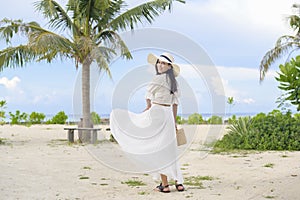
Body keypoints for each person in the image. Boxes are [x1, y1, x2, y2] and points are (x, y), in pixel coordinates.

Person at [110, 52, 184, 193]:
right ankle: (178, 182)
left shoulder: (157, 79)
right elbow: (175, 104)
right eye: (159, 62)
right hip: (168, 115)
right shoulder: (174, 82)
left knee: (159, 148)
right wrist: (174, 122)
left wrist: (149, 106)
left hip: (157, 112)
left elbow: (148, 94)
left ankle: (165, 185)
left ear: (169, 67)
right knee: (170, 148)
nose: (160, 65)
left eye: (163, 63)